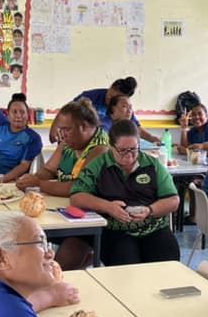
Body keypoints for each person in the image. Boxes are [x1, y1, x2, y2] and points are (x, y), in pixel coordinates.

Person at [71, 119, 181, 266]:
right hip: (115, 230)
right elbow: (77, 197)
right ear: (111, 147)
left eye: (134, 149)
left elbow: (173, 200)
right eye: (122, 150)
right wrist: (108, 207)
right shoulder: (99, 165)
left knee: (168, 260)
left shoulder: (152, 165)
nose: (129, 155)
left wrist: (149, 210)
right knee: (126, 261)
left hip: (153, 227)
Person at [16, 100, 109, 269]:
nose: (62, 135)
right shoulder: (68, 143)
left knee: (59, 265)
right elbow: (49, 170)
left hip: (90, 219)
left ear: (86, 126)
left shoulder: (100, 149)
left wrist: (39, 183)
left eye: (67, 129)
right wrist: (33, 178)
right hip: (63, 209)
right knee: (24, 235)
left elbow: (75, 188)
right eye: (61, 129)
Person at [52, 76, 161, 145]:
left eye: (114, 97)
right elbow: (66, 111)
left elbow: (137, 128)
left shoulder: (124, 108)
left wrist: (153, 139)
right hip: (77, 141)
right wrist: (54, 129)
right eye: (109, 92)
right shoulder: (91, 96)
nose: (109, 96)